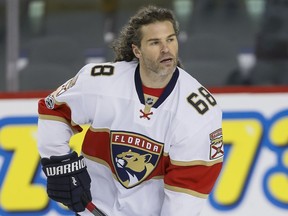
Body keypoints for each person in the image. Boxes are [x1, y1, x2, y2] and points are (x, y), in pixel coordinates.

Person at [37, 5, 224, 216]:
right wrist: (59, 164)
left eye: (170, 39)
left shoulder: (198, 113)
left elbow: (187, 195)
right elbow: (54, 108)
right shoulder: (102, 81)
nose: (166, 49)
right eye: (155, 42)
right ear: (137, 50)